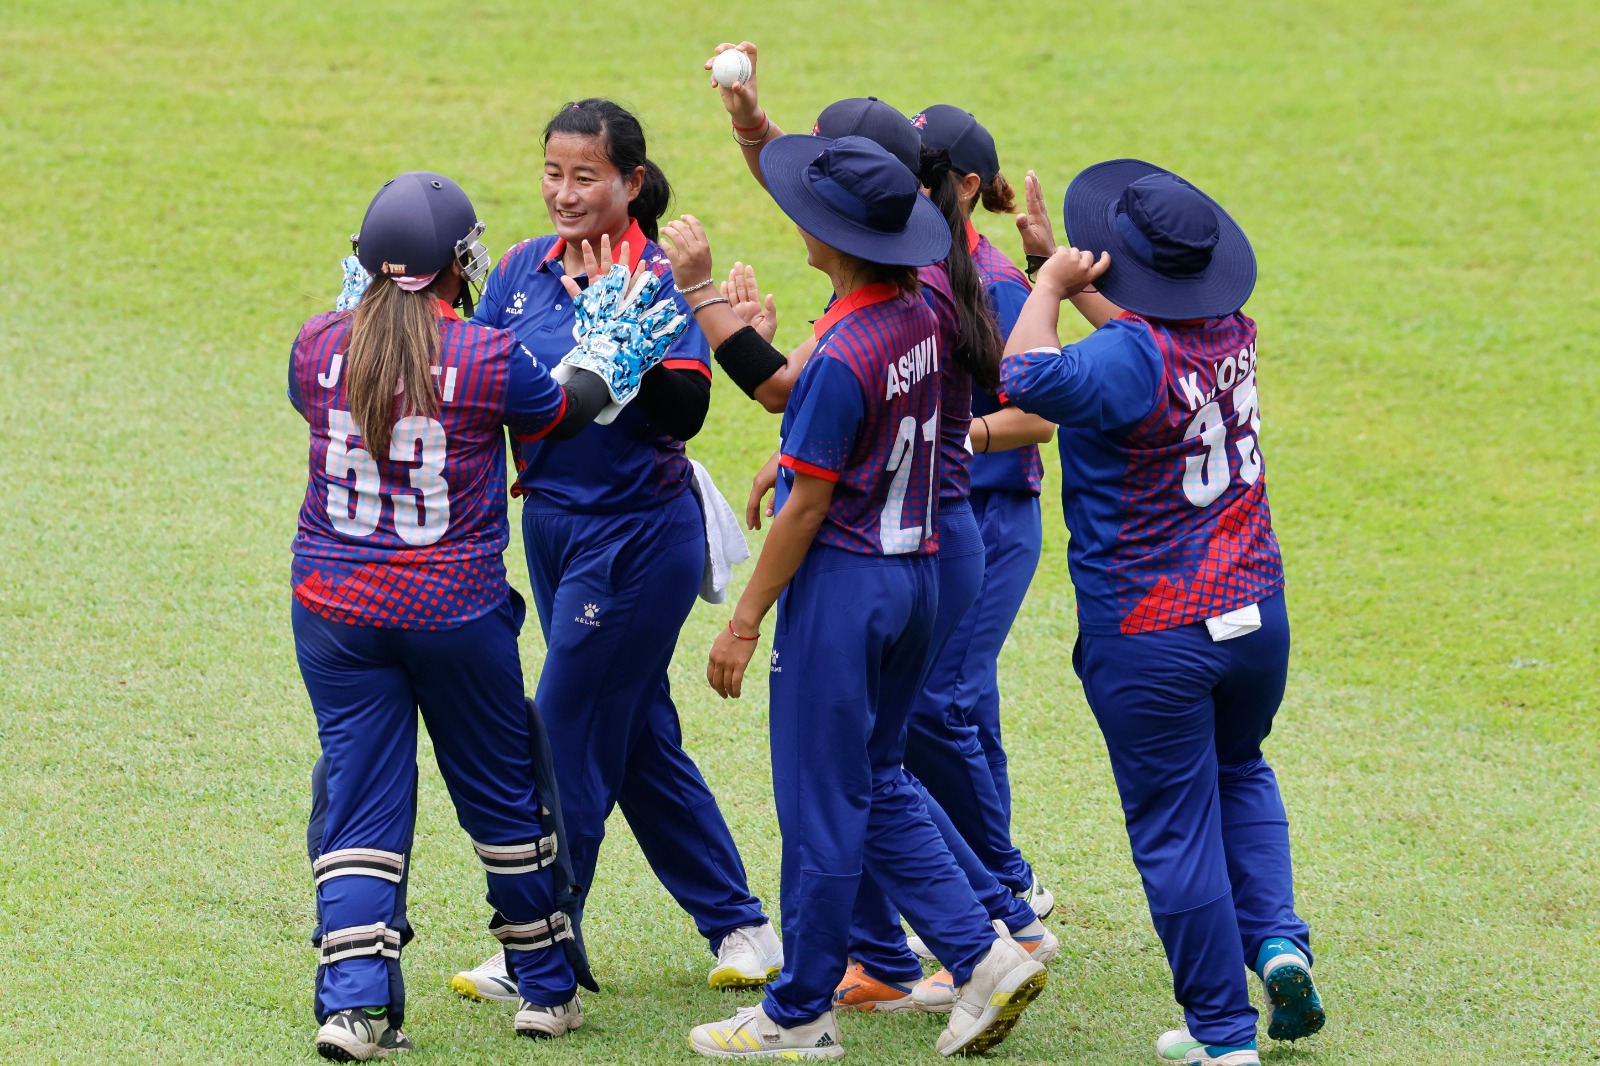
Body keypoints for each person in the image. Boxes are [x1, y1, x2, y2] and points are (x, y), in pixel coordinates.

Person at [673, 134, 1048, 1060]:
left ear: (835, 238)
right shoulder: (926, 309)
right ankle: (984, 954)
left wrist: (744, 621)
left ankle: (801, 1012)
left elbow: (806, 507)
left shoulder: (844, 352)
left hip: (848, 591)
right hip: (922, 572)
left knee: (821, 805)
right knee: (877, 781)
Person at [290, 171, 667, 1056]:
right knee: (501, 791)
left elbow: (350, 369)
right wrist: (604, 349)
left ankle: (353, 1007)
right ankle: (544, 989)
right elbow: (562, 413)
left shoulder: (314, 344)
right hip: (451, 607)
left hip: (334, 609)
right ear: (460, 262)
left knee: (358, 798)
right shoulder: (486, 356)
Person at [447, 98, 781, 1004]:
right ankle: (742, 925)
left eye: (585, 176)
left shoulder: (657, 276)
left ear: (631, 183)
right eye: (553, 173)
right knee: (635, 737)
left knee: (564, 728)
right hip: (551, 529)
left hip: (635, 537)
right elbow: (484, 381)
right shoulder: (519, 270)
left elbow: (687, 411)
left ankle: (540, 943)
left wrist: (611, 329)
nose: (565, 193)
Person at [997, 159, 1324, 1066]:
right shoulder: (1231, 332)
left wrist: (1049, 287)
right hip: (1255, 611)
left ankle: (1222, 1035)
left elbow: (1027, 374)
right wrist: (1053, 273)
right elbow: (1135, 350)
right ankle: (1278, 942)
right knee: (1240, 770)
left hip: (1152, 633)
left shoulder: (1128, 358)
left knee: (1175, 829)